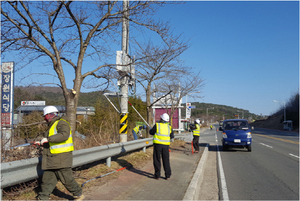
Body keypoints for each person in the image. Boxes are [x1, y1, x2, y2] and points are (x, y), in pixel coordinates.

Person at [36, 106, 84, 201]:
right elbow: (53, 142)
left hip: (62, 158)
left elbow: (64, 135)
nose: (44, 118)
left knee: (66, 179)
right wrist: (41, 144)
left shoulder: (61, 123)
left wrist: (48, 139)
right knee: (47, 180)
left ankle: (78, 194)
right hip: (53, 158)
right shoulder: (53, 125)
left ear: (50, 115)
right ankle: (43, 197)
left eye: (45, 116)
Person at [149, 113, 174, 180]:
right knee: (166, 160)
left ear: (161, 119)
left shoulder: (157, 125)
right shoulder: (169, 127)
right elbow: (172, 136)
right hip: (166, 146)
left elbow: (151, 132)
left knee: (157, 160)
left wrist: (151, 130)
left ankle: (157, 175)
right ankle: (167, 175)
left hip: (158, 145)